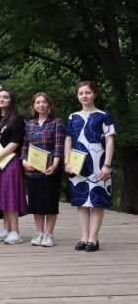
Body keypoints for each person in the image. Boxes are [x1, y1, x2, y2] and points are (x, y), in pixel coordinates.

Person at [64, 80, 115, 252]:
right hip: (78, 165)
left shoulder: (104, 115)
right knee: (82, 202)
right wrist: (67, 162)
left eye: (87, 92)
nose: (84, 96)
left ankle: (94, 239)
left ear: (95, 94)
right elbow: (68, 140)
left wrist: (107, 164)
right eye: (80, 93)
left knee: (97, 201)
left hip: (98, 163)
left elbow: (109, 140)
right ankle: (84, 237)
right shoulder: (73, 117)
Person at [0, 88, 27, 244]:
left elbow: (15, 142)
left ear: (11, 100)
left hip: (10, 161)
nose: (1, 99)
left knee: (10, 195)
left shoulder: (17, 119)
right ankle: (6, 229)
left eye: (5, 97)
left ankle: (15, 231)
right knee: (1, 195)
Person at [20, 92, 65, 248]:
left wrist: (55, 164)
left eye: (44, 102)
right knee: (36, 203)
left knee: (50, 203)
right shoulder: (29, 124)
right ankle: (39, 232)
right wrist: (24, 162)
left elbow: (59, 146)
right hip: (32, 170)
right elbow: (24, 145)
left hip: (51, 169)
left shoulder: (56, 123)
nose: (41, 105)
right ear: (33, 106)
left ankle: (49, 234)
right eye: (37, 102)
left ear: (49, 105)